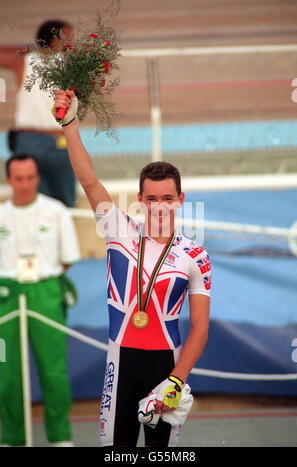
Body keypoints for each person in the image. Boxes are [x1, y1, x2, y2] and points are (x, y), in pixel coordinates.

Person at [53, 90, 211, 447]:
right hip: (120, 362)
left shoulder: (195, 254)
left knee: (160, 454)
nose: (159, 206)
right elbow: (90, 181)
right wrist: (69, 123)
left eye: (168, 199)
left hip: (166, 369)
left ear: (180, 200)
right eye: (152, 198)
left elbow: (200, 328)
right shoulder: (119, 230)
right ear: (140, 200)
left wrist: (176, 380)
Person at [0, 153, 81, 447]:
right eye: (18, 178)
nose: (25, 184)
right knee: (6, 369)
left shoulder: (56, 211)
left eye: (30, 177)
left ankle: (60, 437)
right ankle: (12, 436)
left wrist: (43, 278)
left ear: (38, 177)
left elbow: (68, 258)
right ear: (8, 179)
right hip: (5, 295)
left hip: (46, 291)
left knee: (53, 369)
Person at [0, 20, 76, 207]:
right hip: (53, 142)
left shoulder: (23, 61)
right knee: (61, 206)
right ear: (53, 40)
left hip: (31, 141)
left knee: (40, 205)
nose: (71, 44)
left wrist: (29, 49)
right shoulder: (69, 64)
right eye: (67, 39)